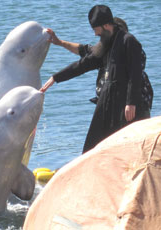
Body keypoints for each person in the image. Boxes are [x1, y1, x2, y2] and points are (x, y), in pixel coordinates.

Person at [41, 5, 151, 153]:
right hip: (108, 101)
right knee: (94, 146)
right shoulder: (105, 45)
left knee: (129, 147)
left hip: (128, 105)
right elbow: (84, 63)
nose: (95, 34)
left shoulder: (128, 41)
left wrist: (131, 103)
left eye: (96, 30)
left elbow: (135, 74)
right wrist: (56, 77)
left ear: (106, 25)